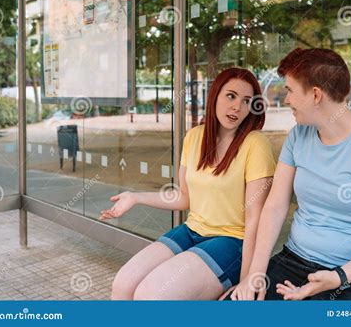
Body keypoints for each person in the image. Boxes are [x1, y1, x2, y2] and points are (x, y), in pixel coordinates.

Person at [229, 48, 351, 301]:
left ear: (315, 95)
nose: (286, 99)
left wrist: (339, 276)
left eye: (290, 90)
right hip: (295, 263)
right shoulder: (297, 136)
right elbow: (275, 206)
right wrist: (254, 274)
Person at [100, 67, 276, 300]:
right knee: (123, 284)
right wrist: (135, 197)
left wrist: (246, 280)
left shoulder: (256, 143)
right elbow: (184, 197)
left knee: (151, 295)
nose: (237, 107)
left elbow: (256, 218)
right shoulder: (194, 136)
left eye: (246, 101)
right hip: (192, 231)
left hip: (232, 241)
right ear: (215, 95)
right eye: (231, 96)